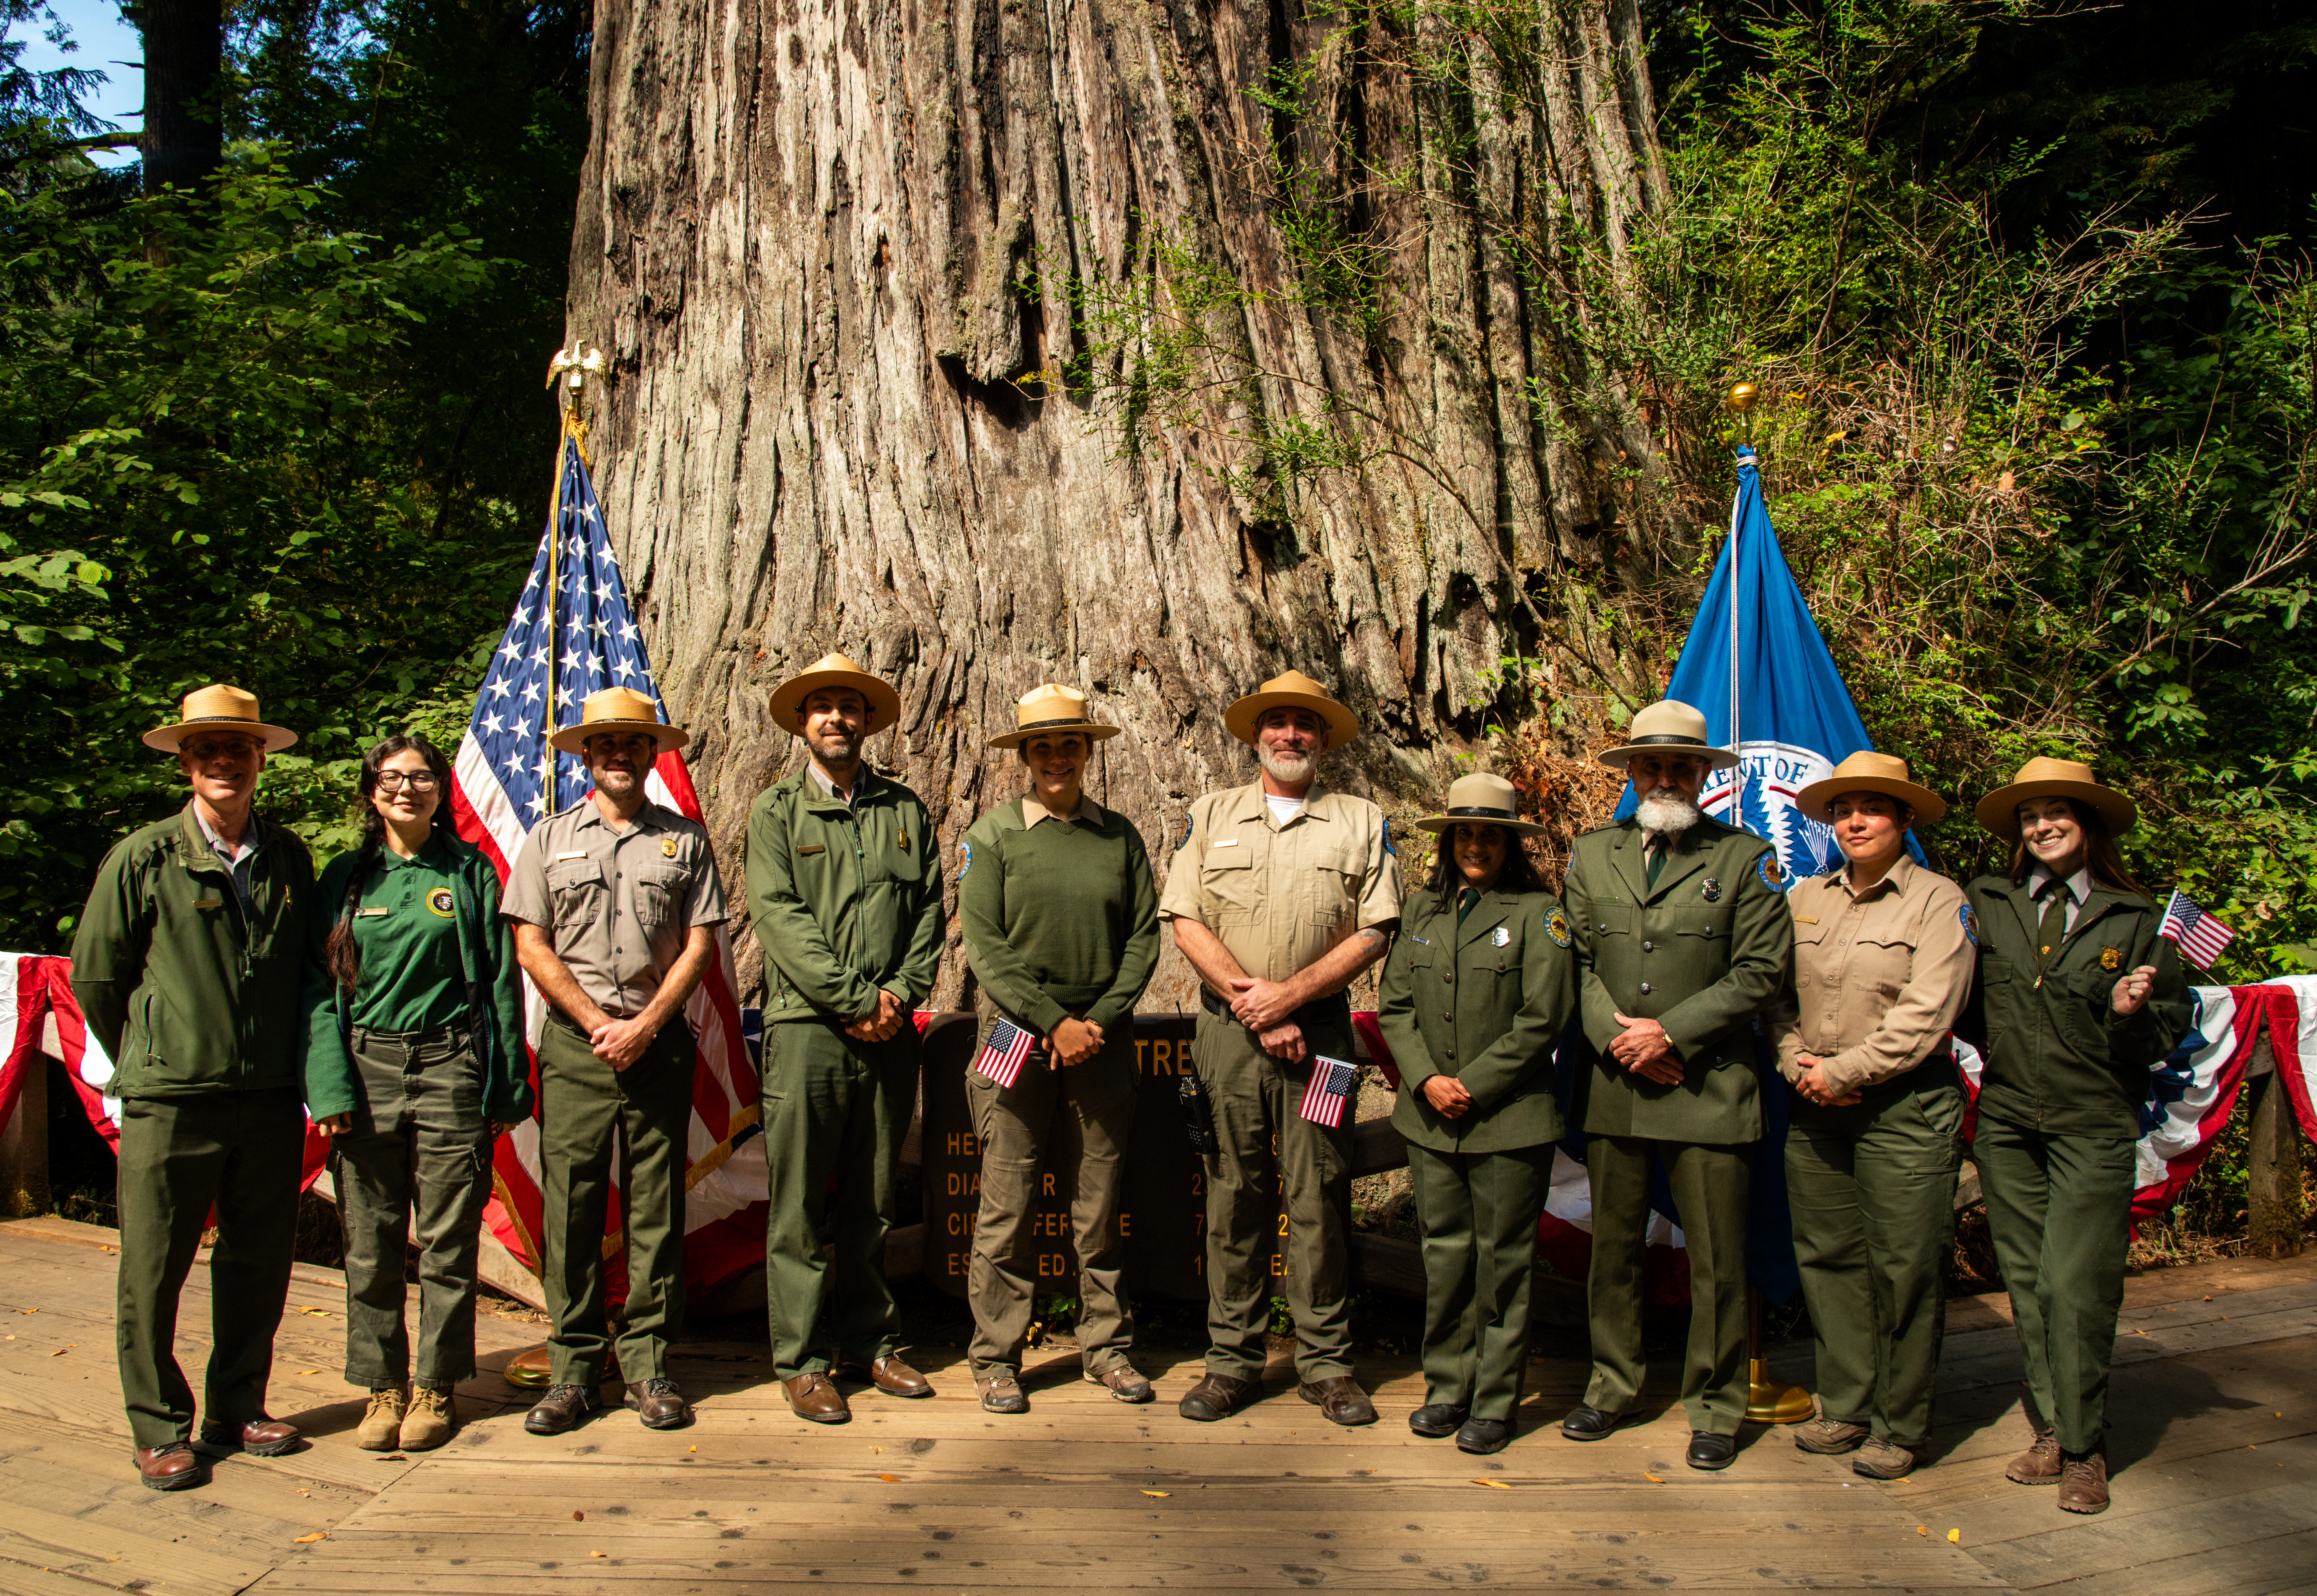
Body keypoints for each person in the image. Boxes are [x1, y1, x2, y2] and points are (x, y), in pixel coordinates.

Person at [70, 684, 314, 1490]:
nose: (222, 760)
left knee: (258, 1263)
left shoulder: (287, 857)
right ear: (184, 760)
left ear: (259, 760)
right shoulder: (144, 856)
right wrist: (155, 1053)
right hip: (170, 1102)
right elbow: (98, 977)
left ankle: (237, 1406)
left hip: (271, 1099)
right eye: (206, 747)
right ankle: (158, 1426)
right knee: (153, 1269)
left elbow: (309, 970)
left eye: (237, 747)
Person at [1159, 669, 1402, 1427]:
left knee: (1320, 1196)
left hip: (1323, 1039)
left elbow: (1375, 928)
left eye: (1305, 724)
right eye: (1277, 723)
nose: (1290, 734)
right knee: (1234, 1196)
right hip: (1231, 1036)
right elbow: (1185, 918)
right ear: (1255, 734)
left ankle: (1325, 1364)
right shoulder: (1212, 813)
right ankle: (1232, 1362)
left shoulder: (1360, 819)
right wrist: (1256, 1006)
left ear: (1323, 739)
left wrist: (1291, 998)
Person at [1558, 699, 1793, 1470]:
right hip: (1615, 1084)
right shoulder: (1592, 855)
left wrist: (1671, 1034)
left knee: (1719, 1260)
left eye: (1679, 766)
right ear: (1631, 774)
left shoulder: (1745, 859)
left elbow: (1760, 971)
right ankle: (1610, 1387)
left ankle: (1718, 1406)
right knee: (1614, 1251)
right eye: (1650, 765)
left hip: (1709, 1088)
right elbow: (1576, 964)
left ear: (1702, 774)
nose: (1664, 776)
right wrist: (1620, 1038)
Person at [1961, 756, 2192, 1515]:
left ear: (2087, 825)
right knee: (2027, 1285)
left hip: (2091, 1123)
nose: (2042, 825)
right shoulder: (1988, 903)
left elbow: (2164, 1034)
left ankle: (2087, 1446)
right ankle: (2054, 1427)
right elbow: (1961, 1009)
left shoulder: (2136, 918)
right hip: (2005, 1124)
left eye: (2057, 812)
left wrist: (2131, 1013)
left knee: (2077, 1286)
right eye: (2030, 816)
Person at [501, 686, 726, 1435]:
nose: (620, 755)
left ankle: (650, 1364)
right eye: (606, 745)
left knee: (655, 1207)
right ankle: (572, 1369)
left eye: (634, 743)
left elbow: (700, 945)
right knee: (570, 1204)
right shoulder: (548, 839)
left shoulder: (685, 841)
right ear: (586, 757)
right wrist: (599, 1022)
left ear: (651, 754)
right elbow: (530, 941)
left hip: (658, 1044)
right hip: (575, 1047)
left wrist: (648, 1022)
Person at [302, 735, 531, 1452]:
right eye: (392, 778)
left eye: (422, 776)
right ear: (372, 790)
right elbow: (316, 991)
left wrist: (504, 1085)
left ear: (440, 789)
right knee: (370, 1243)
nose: (408, 788)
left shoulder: (469, 873)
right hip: (364, 1068)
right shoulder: (345, 877)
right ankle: (382, 1388)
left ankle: (436, 1385)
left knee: (446, 1240)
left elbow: (499, 982)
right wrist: (329, 1084)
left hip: (450, 1068)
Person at [1765, 751, 1973, 1481]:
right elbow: (1774, 998)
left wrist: (1844, 1074)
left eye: (1874, 808)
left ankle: (1900, 1422)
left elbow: (1928, 1013)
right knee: (1828, 1261)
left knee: (1904, 1269)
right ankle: (1847, 1405)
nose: (1855, 821)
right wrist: (1799, 1067)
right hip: (1816, 1108)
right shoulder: (1803, 899)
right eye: (1844, 809)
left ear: (1904, 818)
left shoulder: (1939, 901)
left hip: (1903, 1110)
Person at [747, 652, 943, 1423]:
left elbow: (928, 909)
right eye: (822, 707)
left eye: (849, 708)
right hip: (806, 1030)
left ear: (865, 722)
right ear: (803, 724)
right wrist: (852, 1000)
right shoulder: (775, 813)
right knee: (797, 1204)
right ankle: (800, 1360)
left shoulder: (904, 809)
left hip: (890, 1033)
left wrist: (896, 995)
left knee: (873, 1199)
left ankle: (872, 1343)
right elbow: (780, 919)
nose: (837, 718)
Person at [957, 684, 1161, 1413]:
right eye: (1040, 746)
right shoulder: (993, 837)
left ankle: (1105, 1349)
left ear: (1087, 752)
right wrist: (1051, 1021)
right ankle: (995, 1358)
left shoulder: (1120, 837)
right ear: (1023, 756)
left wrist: (1096, 1021)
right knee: (1007, 1206)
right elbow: (985, 945)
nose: (1055, 757)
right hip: (1017, 1040)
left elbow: (1143, 939)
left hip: (1101, 1046)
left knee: (1096, 1205)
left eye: (1068, 744)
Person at [1376, 773, 1576, 1455]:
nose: (1477, 846)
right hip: (1430, 1118)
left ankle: (1494, 1400)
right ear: (1449, 841)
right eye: (1466, 833)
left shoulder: (1537, 913)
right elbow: (1395, 1006)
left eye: (1490, 834)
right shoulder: (1421, 913)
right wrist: (1428, 1079)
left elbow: (1543, 1017)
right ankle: (1446, 1387)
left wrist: (1474, 1084)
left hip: (1508, 1119)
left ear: (1509, 843)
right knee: (1445, 1257)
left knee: (1502, 1263)